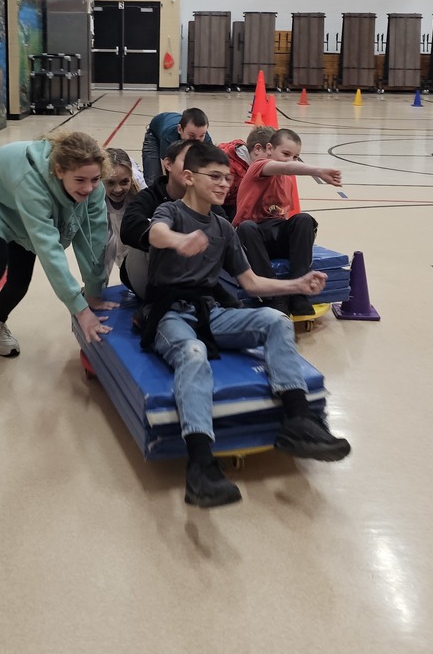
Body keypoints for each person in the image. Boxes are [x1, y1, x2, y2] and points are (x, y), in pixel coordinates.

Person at [144, 141, 351, 508]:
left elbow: (251, 283)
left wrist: (296, 285)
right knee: (193, 353)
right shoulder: (170, 211)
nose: (225, 184)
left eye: (227, 177)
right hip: (170, 314)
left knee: (275, 319)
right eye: (215, 177)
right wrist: (179, 241)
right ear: (188, 178)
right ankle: (201, 465)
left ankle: (298, 420)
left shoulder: (223, 226)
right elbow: (155, 234)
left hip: (210, 312)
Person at [0, 131, 118, 372]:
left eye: (94, 179)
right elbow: (49, 249)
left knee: (20, 280)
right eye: (80, 180)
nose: (89, 187)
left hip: (23, 209)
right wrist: (80, 309)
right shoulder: (32, 183)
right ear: (59, 171)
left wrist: (92, 291)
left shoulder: (93, 189)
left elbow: (93, 239)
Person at [233, 127, 342, 318]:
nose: (290, 161)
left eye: (295, 157)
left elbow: (285, 212)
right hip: (252, 238)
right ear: (269, 149)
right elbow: (284, 167)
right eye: (285, 154)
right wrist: (316, 170)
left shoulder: (288, 182)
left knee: (304, 220)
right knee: (247, 228)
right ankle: (273, 295)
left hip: (275, 234)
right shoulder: (259, 166)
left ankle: (298, 291)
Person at [120, 138, 226, 300]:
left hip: (194, 279)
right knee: (153, 233)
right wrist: (175, 239)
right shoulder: (150, 196)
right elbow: (129, 228)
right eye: (188, 161)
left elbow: (225, 234)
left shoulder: (205, 198)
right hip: (149, 279)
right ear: (168, 164)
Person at [141, 108, 212, 186]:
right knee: (154, 180)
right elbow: (166, 169)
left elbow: (210, 166)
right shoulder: (169, 136)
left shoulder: (206, 139)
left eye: (201, 136)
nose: (197, 141)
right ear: (180, 129)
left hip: (171, 123)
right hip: (155, 136)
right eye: (192, 136)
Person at [103, 147, 142, 284]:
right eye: (110, 183)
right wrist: (96, 285)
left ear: (131, 178)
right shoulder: (94, 195)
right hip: (108, 213)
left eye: (124, 182)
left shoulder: (140, 192)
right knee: (112, 246)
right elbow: (100, 245)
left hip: (131, 213)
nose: (118, 189)